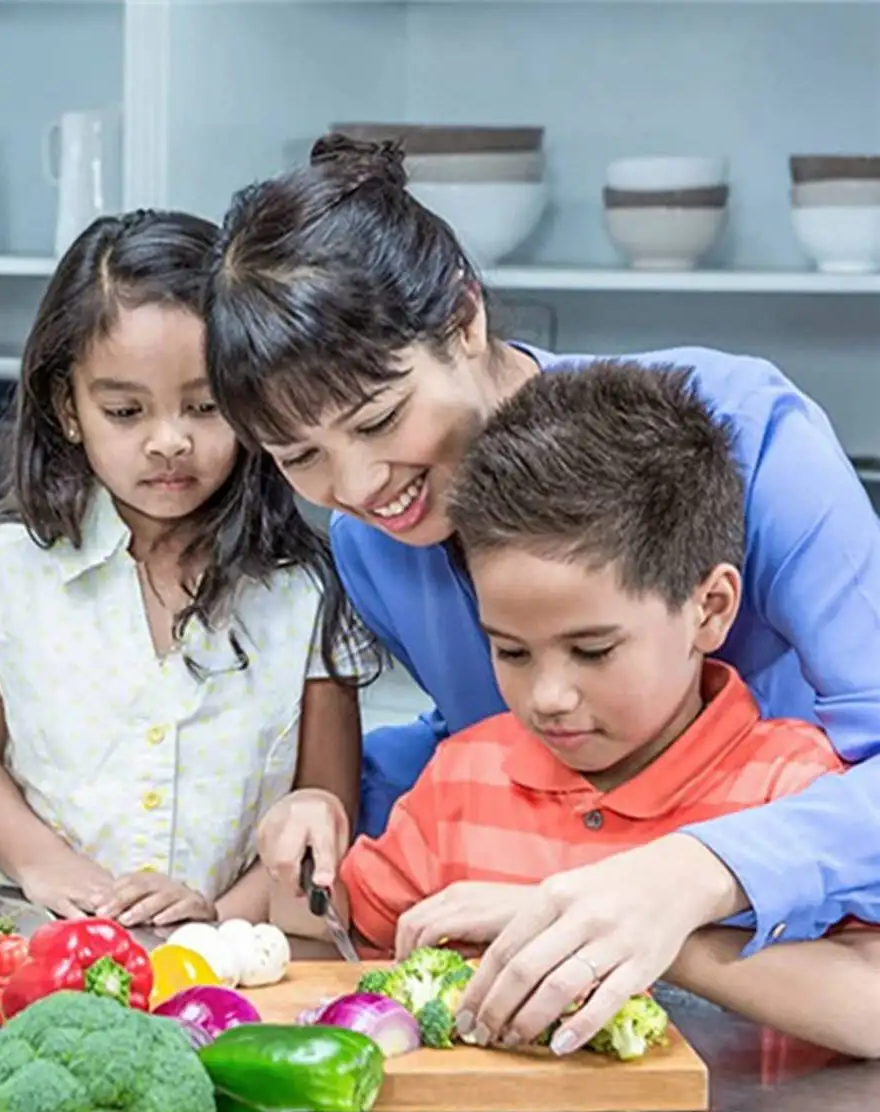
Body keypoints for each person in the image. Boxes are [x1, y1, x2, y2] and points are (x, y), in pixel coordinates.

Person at [206, 135, 880, 1055]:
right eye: (300, 459)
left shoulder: (742, 435)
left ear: (464, 319)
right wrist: (328, 796)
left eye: (379, 418)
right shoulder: (372, 543)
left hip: (811, 972)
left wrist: (689, 878)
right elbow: (489, 744)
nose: (361, 485)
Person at [260, 361, 880, 1060]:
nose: (548, 699)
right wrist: (306, 829)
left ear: (709, 610)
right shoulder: (464, 781)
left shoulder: (793, 788)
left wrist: (639, 931)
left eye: (592, 650)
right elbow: (327, 941)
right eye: (512, 653)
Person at [0, 210, 369, 928]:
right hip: (48, 945)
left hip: (236, 958)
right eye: (125, 410)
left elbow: (326, 810)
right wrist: (49, 867)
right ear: (68, 406)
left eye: (206, 406)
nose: (168, 442)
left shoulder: (306, 595)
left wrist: (213, 917)